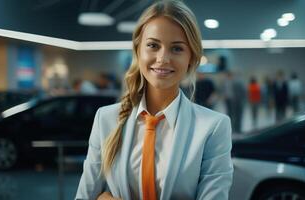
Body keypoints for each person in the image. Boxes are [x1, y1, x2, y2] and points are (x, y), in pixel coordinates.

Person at [75, 1, 233, 200]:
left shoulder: (213, 127)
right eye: (153, 45)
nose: (163, 58)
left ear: (191, 58)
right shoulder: (106, 119)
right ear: (138, 50)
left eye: (177, 49)